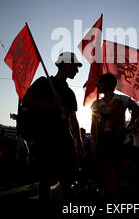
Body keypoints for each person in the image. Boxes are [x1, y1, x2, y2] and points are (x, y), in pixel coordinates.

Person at [22, 52, 84, 201]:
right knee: (44, 181)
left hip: (65, 141)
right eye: (75, 66)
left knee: (66, 181)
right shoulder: (44, 82)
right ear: (65, 64)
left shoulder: (69, 93)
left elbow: (73, 118)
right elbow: (26, 100)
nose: (77, 70)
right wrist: (49, 105)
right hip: (45, 139)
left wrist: (79, 141)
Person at [90, 73, 139, 199]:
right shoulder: (95, 104)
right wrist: (94, 143)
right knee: (109, 178)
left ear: (106, 84)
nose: (97, 85)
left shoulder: (122, 99)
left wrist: (130, 129)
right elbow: (93, 127)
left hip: (122, 143)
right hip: (104, 145)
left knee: (128, 174)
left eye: (99, 82)